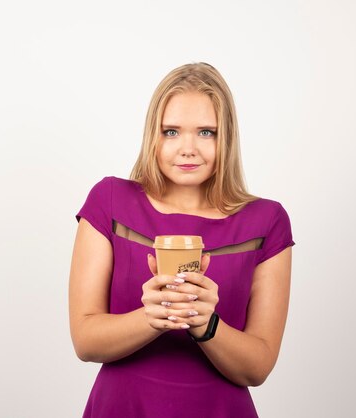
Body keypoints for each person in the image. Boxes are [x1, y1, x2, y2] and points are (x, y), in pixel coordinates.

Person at [69, 62, 295, 418]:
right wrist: (152, 315)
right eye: (171, 132)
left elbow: (258, 367)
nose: (188, 148)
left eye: (206, 132)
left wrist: (206, 324)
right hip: (123, 408)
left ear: (227, 139)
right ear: (152, 136)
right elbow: (85, 339)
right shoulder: (109, 200)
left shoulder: (267, 221)